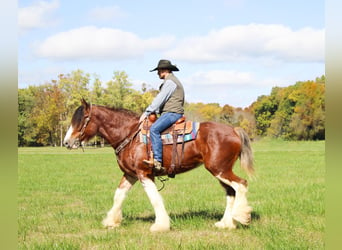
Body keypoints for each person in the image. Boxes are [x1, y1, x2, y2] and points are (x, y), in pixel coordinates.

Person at [139, 59, 185, 172]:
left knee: (154, 129)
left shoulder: (170, 82)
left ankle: (157, 161)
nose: (157, 73)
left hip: (172, 113)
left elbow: (160, 99)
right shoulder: (171, 81)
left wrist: (147, 112)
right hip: (170, 112)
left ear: (165, 70)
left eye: (159, 70)